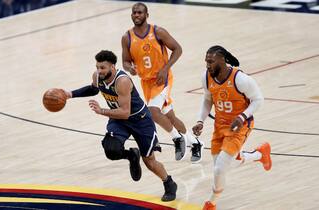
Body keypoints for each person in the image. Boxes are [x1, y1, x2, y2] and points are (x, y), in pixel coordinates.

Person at [64, 50, 177, 202]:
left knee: (149, 161)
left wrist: (101, 110)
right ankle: (131, 155)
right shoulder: (97, 76)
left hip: (140, 120)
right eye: (97, 67)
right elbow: (93, 88)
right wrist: (70, 94)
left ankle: (169, 183)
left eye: (102, 68)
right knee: (111, 150)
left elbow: (125, 112)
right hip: (119, 120)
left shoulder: (122, 81)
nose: (99, 71)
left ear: (112, 67)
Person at [192, 46, 272, 210]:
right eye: (206, 61)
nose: (207, 65)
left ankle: (211, 202)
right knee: (220, 166)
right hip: (219, 125)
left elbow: (258, 100)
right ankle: (259, 154)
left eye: (211, 61)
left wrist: (242, 117)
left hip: (239, 126)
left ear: (222, 60)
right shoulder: (206, 77)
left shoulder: (240, 79)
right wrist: (200, 121)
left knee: (220, 168)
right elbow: (207, 99)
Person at [121, 2, 204, 163]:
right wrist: (130, 68)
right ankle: (196, 143)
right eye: (134, 13)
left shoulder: (158, 31)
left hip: (162, 79)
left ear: (147, 15)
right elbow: (125, 61)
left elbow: (178, 49)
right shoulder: (127, 37)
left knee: (152, 111)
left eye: (139, 12)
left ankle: (176, 138)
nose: (136, 15)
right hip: (146, 82)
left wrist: (166, 68)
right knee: (170, 117)